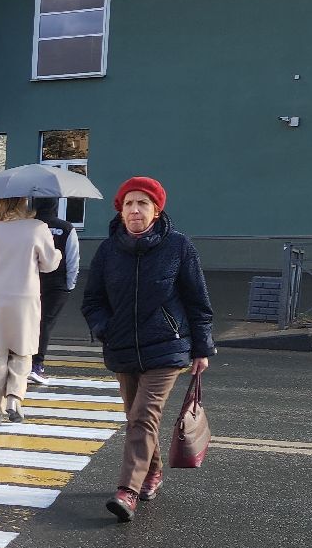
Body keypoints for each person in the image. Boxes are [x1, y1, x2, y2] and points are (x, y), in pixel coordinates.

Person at [81, 176, 215, 522]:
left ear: (156, 210)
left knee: (142, 416)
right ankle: (152, 471)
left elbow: (197, 301)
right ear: (120, 210)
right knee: (137, 418)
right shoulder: (109, 251)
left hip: (167, 348)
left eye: (143, 203)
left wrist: (202, 349)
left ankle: (127, 491)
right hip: (123, 347)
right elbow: (93, 300)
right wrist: (104, 328)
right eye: (129, 203)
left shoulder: (178, 247)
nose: (135, 209)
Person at [0, 196, 59, 425]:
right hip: (23, 296)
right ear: (22, 202)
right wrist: (57, 254)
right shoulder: (38, 228)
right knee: (22, 349)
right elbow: (49, 264)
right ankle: (14, 399)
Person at [31, 197, 81, 385]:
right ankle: (37, 365)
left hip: (31, 281)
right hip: (57, 284)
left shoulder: (29, 226)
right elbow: (72, 258)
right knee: (46, 323)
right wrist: (69, 285)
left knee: (29, 321)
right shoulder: (66, 228)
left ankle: (24, 362)